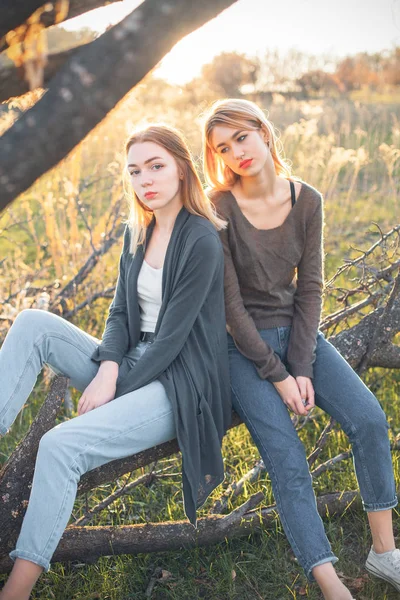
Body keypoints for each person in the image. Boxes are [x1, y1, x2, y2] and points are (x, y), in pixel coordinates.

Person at [0, 124, 231, 600]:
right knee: (32, 324)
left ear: (182, 168)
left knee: (61, 446)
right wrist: (107, 368)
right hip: (130, 360)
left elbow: (170, 342)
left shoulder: (202, 240)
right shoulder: (138, 229)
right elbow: (121, 312)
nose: (145, 179)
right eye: (134, 171)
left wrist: (114, 386)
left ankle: (16, 590)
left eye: (156, 166)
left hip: (179, 381)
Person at [201, 98, 399, 600]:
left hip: (296, 333)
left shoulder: (307, 200)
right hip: (241, 349)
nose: (236, 152)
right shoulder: (217, 207)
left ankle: (383, 552)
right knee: (288, 458)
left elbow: (310, 290)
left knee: (370, 420)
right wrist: (280, 375)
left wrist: (303, 363)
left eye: (242, 137)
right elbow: (229, 309)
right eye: (223, 147)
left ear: (264, 132)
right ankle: (331, 583)